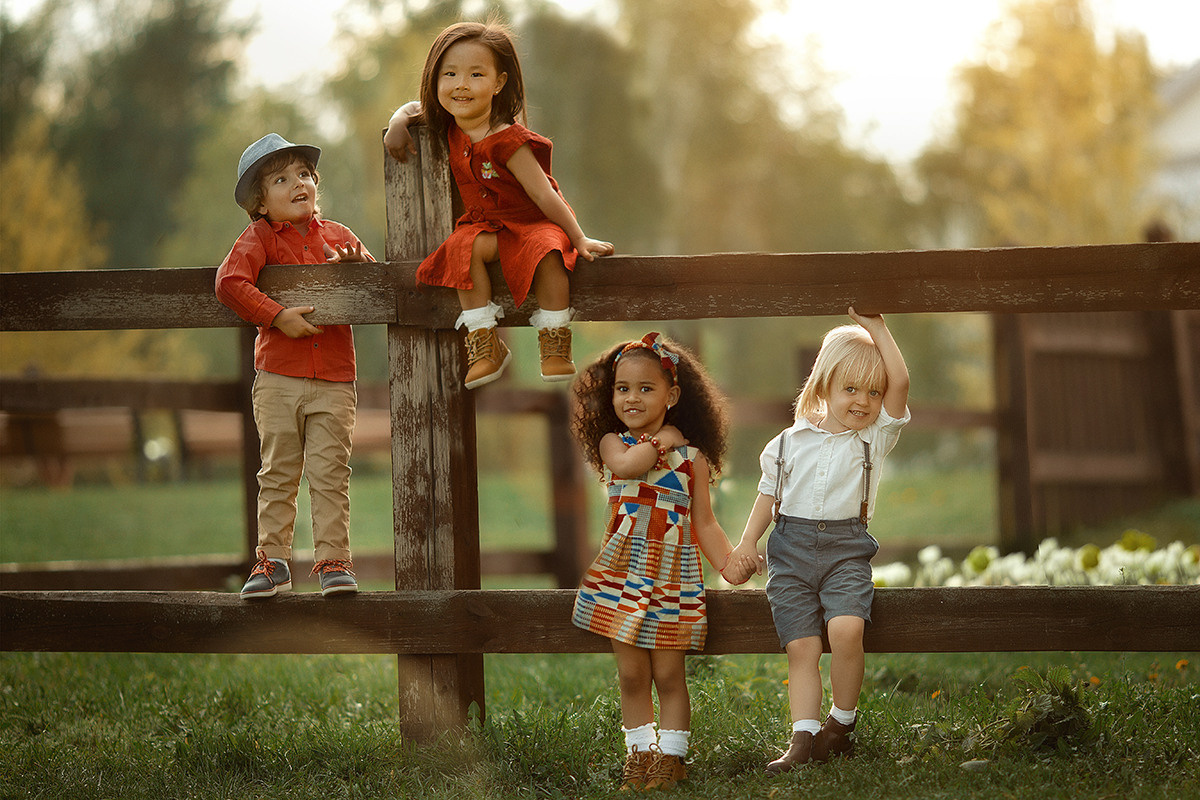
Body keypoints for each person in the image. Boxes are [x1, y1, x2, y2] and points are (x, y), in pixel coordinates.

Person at [569, 333, 761, 791]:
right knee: (632, 674)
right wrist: (662, 440)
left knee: (670, 674)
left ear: (671, 396)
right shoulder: (613, 445)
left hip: (673, 578)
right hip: (623, 575)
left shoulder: (691, 459)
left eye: (645, 388)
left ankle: (671, 759)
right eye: (622, 388)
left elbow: (705, 523)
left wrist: (729, 565)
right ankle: (639, 755)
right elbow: (629, 467)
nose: (632, 398)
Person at [383, 18, 613, 389]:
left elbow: (544, 194)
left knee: (548, 251)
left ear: (498, 83)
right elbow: (414, 107)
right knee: (461, 248)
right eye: (450, 74)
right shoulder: (450, 124)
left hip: (532, 223)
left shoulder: (509, 140)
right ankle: (485, 343)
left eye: (476, 74)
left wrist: (579, 237)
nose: (461, 84)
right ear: (434, 80)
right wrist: (398, 121)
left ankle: (554, 341)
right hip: (487, 227)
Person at [729, 308, 910, 774]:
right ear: (824, 384)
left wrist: (877, 328)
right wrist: (748, 542)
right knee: (802, 647)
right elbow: (767, 496)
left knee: (847, 629)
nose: (863, 401)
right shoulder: (786, 443)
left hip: (846, 551)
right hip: (789, 552)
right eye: (851, 389)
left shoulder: (874, 438)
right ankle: (803, 738)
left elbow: (901, 383)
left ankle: (840, 724)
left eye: (873, 392)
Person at [215, 133, 373, 599]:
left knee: (330, 474)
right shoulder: (259, 238)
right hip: (278, 379)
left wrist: (357, 268)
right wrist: (277, 315)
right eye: (281, 179)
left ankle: (334, 562)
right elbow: (229, 282)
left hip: (335, 380)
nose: (298, 183)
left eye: (304, 174)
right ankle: (273, 562)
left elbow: (375, 288)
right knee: (278, 473)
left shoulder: (339, 236)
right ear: (260, 203)